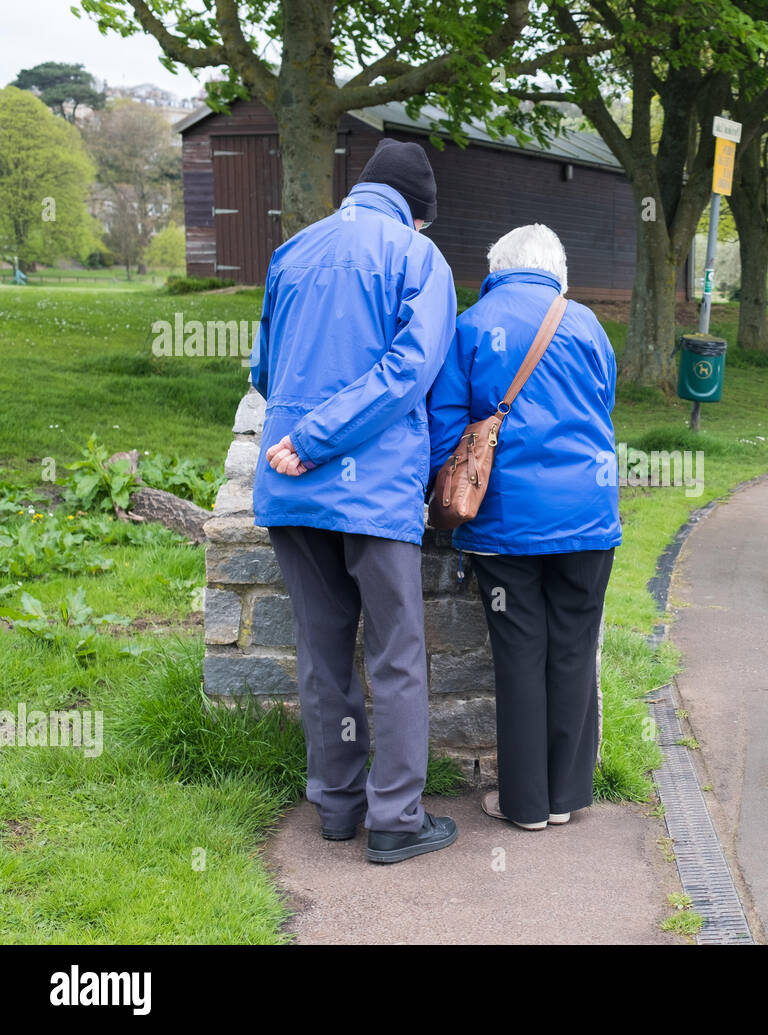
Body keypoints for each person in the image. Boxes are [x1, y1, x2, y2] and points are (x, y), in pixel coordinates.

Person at [251, 138, 459, 864]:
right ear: (417, 213)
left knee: (323, 651)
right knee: (397, 652)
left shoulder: (293, 251)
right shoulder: (418, 258)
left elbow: (264, 366)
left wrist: (301, 437)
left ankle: (336, 808)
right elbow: (412, 371)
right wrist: (321, 437)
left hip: (288, 486)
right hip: (370, 487)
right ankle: (396, 818)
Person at [428, 224, 621, 831]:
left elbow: (444, 425)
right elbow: (605, 401)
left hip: (507, 523)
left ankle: (525, 806)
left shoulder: (471, 324)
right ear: (556, 269)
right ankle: (567, 797)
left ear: (498, 266)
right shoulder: (587, 323)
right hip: (588, 520)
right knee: (572, 651)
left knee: (518, 655)